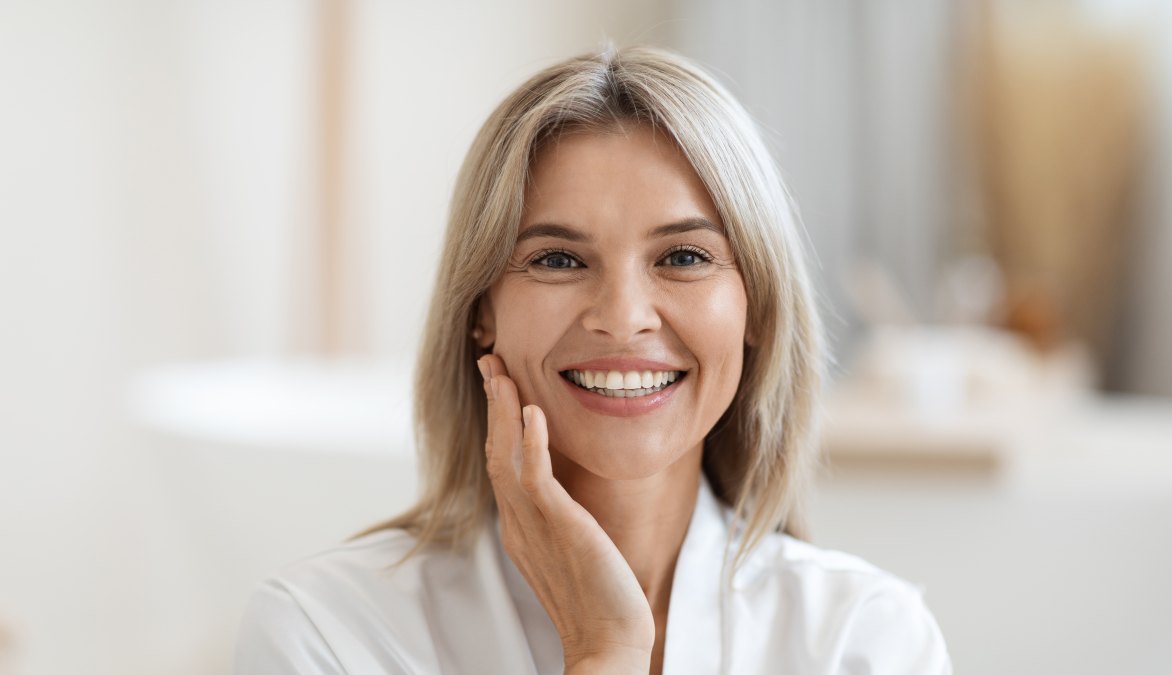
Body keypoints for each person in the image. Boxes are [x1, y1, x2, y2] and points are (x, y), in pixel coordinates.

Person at [234, 45, 951, 674]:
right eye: (556, 258)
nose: (622, 316)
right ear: (480, 309)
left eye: (683, 256)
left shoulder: (867, 641)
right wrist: (606, 650)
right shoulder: (328, 634)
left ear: (756, 306)